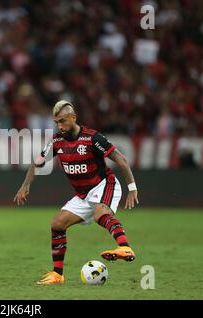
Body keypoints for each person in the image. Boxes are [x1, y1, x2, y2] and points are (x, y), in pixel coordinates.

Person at [13, 100, 139, 285]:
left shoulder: (92, 138)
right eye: (57, 122)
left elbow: (121, 160)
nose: (60, 125)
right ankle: (57, 275)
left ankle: (124, 247)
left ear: (73, 118)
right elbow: (37, 163)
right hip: (83, 195)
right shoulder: (56, 141)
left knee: (100, 214)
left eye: (63, 121)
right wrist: (25, 185)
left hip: (104, 185)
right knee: (57, 224)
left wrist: (132, 187)